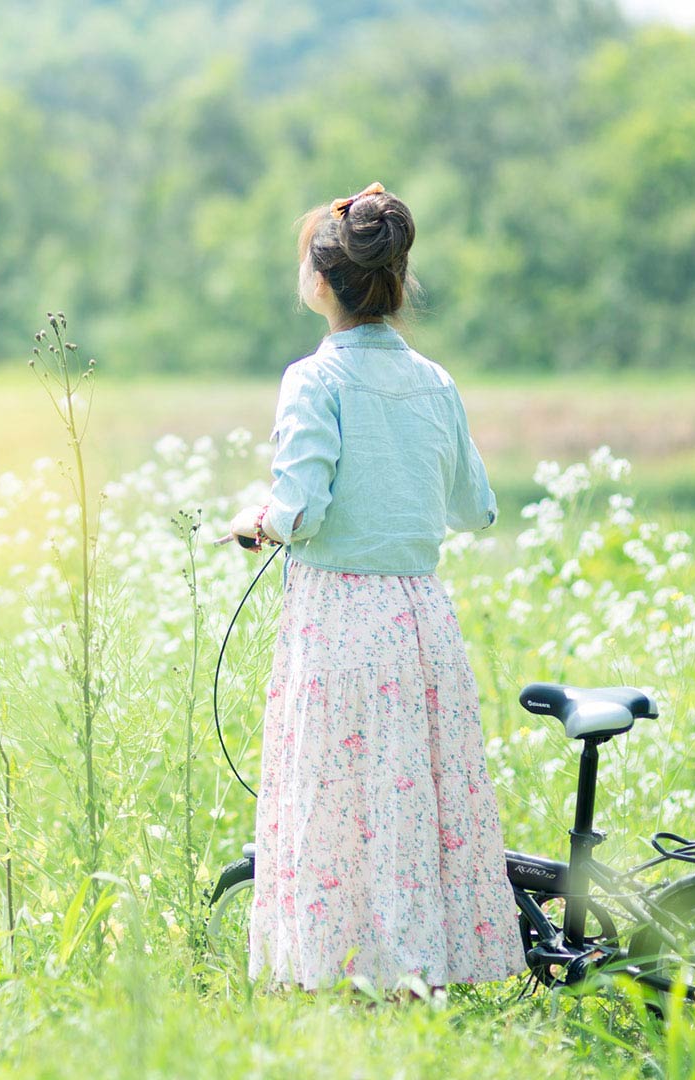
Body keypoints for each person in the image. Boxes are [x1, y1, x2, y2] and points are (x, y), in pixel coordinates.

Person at [223, 182, 522, 995]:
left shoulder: (313, 380)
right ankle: (419, 968)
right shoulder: (436, 381)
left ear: (323, 283)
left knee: (335, 795)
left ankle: (335, 971)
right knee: (409, 799)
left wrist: (260, 520)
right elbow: (476, 507)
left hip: (339, 619)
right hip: (419, 618)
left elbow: (302, 510)